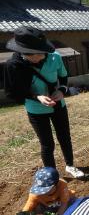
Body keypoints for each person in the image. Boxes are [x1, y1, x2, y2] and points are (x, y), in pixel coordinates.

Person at [4, 26, 83, 178]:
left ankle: (70, 166)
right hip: (36, 110)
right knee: (47, 144)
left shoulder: (54, 57)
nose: (43, 55)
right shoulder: (13, 66)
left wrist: (61, 91)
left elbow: (64, 78)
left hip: (58, 106)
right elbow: (13, 93)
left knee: (65, 137)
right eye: (39, 53)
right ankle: (52, 176)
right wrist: (36, 97)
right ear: (26, 53)